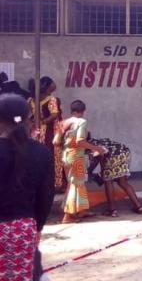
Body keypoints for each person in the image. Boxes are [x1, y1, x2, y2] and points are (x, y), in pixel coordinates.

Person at [0, 94, 55, 281]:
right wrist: (37, 227)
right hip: (23, 229)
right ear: (27, 119)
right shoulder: (42, 152)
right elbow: (46, 195)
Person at [60, 100, 107, 224]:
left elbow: (56, 141)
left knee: (75, 183)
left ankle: (81, 210)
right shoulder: (81, 122)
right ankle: (68, 215)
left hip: (66, 156)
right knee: (76, 184)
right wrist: (97, 148)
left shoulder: (65, 122)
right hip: (76, 157)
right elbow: (80, 141)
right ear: (83, 111)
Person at [27, 77, 65, 192]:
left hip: (35, 130)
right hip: (50, 131)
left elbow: (29, 115)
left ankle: (39, 181)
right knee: (55, 155)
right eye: (52, 83)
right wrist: (43, 122)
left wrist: (32, 124)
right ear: (49, 86)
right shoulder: (52, 99)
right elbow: (54, 115)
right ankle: (56, 182)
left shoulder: (30, 100)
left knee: (37, 155)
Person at [92, 136, 142, 217]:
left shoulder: (90, 146)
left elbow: (100, 157)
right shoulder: (98, 141)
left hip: (113, 156)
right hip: (124, 152)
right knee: (122, 182)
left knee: (108, 182)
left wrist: (101, 173)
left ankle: (112, 210)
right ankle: (138, 207)